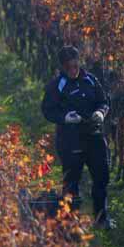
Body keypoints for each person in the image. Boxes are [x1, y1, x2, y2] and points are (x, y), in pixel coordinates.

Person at [41, 46, 115, 229]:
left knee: (101, 176)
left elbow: (103, 101)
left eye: (75, 66)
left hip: (94, 136)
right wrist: (65, 117)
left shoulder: (90, 80)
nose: (73, 71)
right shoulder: (56, 86)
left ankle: (101, 219)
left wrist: (100, 113)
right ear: (63, 68)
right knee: (72, 181)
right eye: (69, 68)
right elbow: (48, 110)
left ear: (79, 63)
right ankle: (71, 223)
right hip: (70, 140)